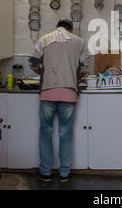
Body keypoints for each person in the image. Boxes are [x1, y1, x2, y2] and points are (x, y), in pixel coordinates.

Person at [30, 19, 86, 183]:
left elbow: (33, 63)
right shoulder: (79, 41)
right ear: (71, 29)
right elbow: (85, 68)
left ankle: (45, 172)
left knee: (45, 132)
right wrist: (74, 76)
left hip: (47, 92)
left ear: (57, 27)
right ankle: (64, 173)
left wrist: (44, 73)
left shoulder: (44, 39)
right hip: (69, 92)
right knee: (65, 133)